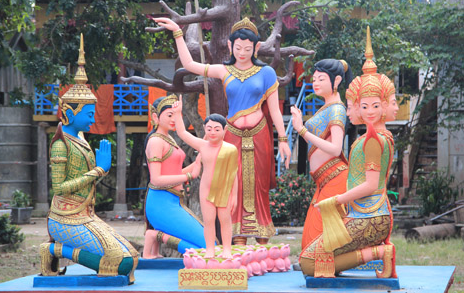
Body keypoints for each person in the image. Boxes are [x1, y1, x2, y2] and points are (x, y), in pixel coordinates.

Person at [152, 17, 291, 244]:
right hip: (231, 135)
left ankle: (262, 238)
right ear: (230, 46)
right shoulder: (224, 70)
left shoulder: (266, 73)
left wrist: (283, 138)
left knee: (259, 184)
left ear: (256, 47)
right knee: (231, 183)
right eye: (238, 48)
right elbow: (190, 66)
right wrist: (178, 32)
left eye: (248, 48)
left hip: (260, 134)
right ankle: (235, 239)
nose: (243, 52)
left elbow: (274, 110)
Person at [40, 35, 138, 283]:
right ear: (70, 113)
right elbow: (59, 188)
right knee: (118, 263)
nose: (94, 118)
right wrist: (98, 171)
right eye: (90, 113)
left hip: (86, 215)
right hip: (64, 219)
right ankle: (53, 249)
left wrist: (99, 168)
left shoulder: (81, 138)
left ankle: (60, 250)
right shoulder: (61, 145)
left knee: (133, 257)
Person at [299, 31, 397, 279]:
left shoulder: (373, 140)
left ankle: (379, 253)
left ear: (386, 105)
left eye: (375, 106)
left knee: (310, 263)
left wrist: (338, 200)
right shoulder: (373, 138)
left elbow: (371, 184)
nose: (369, 111)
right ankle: (374, 253)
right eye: (363, 106)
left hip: (369, 217)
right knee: (314, 257)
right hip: (365, 213)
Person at [290, 59, 353, 249]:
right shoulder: (327, 108)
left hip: (334, 177)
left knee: (318, 238)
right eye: (314, 79)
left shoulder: (336, 110)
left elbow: (335, 148)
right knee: (311, 239)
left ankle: (332, 262)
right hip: (324, 180)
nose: (315, 83)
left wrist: (302, 130)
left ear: (336, 81)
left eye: (321, 79)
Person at [172, 95, 238, 258]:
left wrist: (234, 195)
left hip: (224, 189)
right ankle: (210, 249)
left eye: (217, 129)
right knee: (208, 220)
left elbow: (233, 174)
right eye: (209, 129)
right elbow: (182, 133)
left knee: (225, 220)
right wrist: (178, 113)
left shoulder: (230, 150)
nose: (213, 132)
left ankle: (227, 249)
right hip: (206, 189)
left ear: (225, 130)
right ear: (205, 129)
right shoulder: (203, 145)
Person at [143, 94, 205, 258]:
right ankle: (156, 235)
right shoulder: (156, 141)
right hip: (161, 204)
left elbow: (174, 173)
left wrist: (198, 162)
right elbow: (156, 180)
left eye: (176, 115)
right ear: (155, 117)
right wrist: (189, 176)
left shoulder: (168, 137)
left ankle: (156, 236)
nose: (173, 119)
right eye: (169, 115)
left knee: (211, 244)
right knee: (208, 248)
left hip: (174, 201)